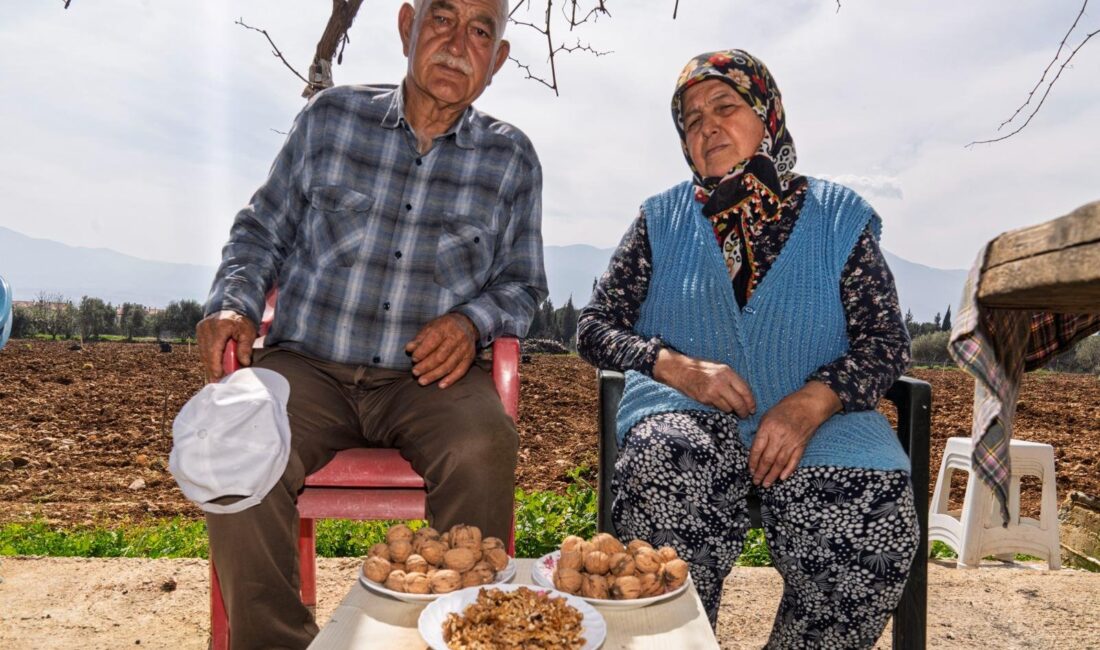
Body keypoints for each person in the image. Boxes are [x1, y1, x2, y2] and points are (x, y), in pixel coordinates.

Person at [195, 0, 546, 646]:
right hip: (309, 367)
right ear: (408, 26)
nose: (456, 43)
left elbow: (523, 287)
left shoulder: (511, 161)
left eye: (480, 32)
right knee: (234, 443)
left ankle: (453, 632)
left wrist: (472, 322)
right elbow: (259, 231)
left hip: (429, 384)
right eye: (442, 19)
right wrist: (233, 301)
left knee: (481, 445)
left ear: (496, 61)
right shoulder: (331, 120)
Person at [577, 49, 918, 648]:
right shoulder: (661, 220)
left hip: (819, 429)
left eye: (725, 107)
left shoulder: (838, 219)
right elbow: (595, 326)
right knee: (665, 470)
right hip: (685, 421)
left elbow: (887, 343)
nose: (706, 126)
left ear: (768, 113)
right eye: (690, 119)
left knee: (871, 528)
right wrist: (673, 366)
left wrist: (812, 401)